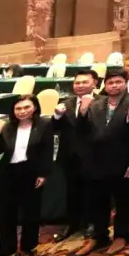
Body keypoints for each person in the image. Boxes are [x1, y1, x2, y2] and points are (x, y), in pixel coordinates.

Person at [74, 69, 129, 256]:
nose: (114, 86)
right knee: (97, 201)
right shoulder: (96, 104)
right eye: (110, 83)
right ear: (105, 85)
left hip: (122, 160)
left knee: (122, 201)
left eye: (118, 82)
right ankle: (99, 236)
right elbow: (82, 132)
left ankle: (121, 235)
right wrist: (82, 112)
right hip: (96, 161)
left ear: (125, 83)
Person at [0, 95, 55, 256]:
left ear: (34, 108)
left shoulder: (44, 125)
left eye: (26, 107)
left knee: (30, 212)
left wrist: (43, 174)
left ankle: (28, 247)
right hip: (7, 173)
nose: (22, 111)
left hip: (31, 172)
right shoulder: (7, 126)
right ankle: (8, 250)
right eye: (18, 108)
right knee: (6, 213)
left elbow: (47, 151)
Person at [51, 69, 98, 243]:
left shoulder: (102, 102)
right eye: (77, 83)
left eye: (85, 82)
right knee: (72, 191)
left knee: (92, 191)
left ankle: (93, 223)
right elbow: (54, 128)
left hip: (93, 155)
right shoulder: (66, 103)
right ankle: (72, 223)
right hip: (70, 155)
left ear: (94, 83)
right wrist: (56, 116)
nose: (80, 85)